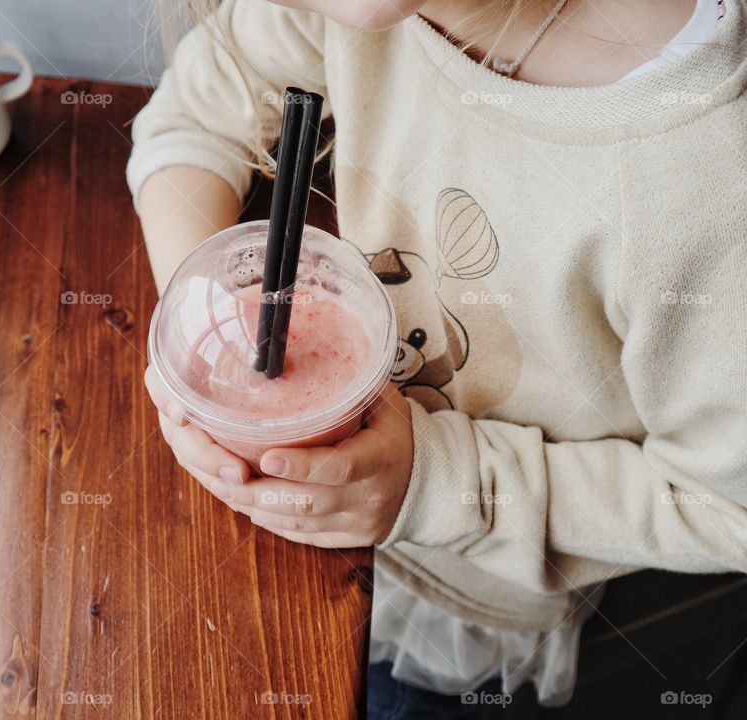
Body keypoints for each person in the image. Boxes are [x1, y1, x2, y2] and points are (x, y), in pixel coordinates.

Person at [128, 0, 747, 715]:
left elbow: (726, 505)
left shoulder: (710, 178)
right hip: (318, 558)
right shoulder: (336, 8)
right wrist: (203, 315)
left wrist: (436, 480)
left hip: (489, 601)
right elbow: (194, 117)